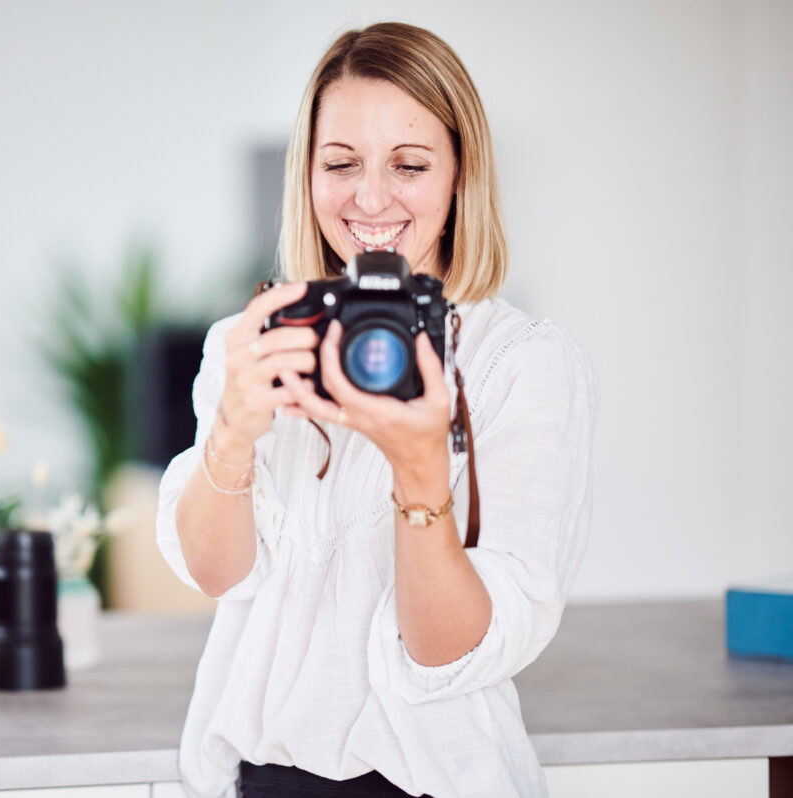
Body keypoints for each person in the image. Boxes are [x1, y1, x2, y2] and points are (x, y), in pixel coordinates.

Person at [156, 21, 597, 798]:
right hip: (258, 782)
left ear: (461, 175)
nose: (369, 197)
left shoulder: (517, 366)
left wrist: (421, 471)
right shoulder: (255, 341)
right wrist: (232, 436)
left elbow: (446, 651)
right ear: (308, 175)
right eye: (341, 163)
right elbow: (215, 572)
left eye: (409, 164)